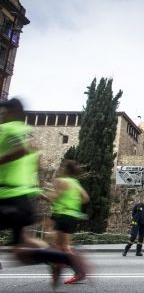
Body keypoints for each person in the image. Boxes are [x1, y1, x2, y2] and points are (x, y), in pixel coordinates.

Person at [0, 98, 87, 288]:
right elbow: (85, 198)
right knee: (24, 249)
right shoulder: (29, 136)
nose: (2, 116)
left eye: (3, 113)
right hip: (64, 213)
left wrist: (46, 193)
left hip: (18, 197)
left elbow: (25, 154)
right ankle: (64, 260)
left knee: (44, 245)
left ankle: (63, 260)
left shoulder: (10, 129)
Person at [45, 160, 90, 284]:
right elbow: (86, 198)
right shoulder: (76, 183)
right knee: (61, 246)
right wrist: (74, 204)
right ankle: (66, 264)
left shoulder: (62, 181)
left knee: (61, 246)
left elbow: (55, 196)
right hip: (71, 216)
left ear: (65, 169)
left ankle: (77, 270)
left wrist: (44, 194)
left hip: (62, 215)